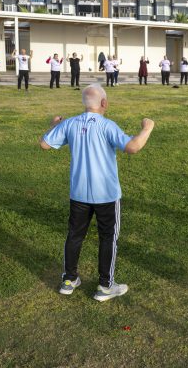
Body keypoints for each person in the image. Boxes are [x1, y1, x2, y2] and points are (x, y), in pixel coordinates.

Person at [40, 84, 155, 301]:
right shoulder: (107, 125)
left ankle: (69, 279)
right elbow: (132, 147)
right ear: (104, 103)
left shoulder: (70, 124)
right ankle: (104, 286)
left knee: (75, 235)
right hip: (106, 195)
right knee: (108, 237)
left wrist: (53, 125)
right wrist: (147, 128)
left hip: (79, 193)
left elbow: (45, 144)